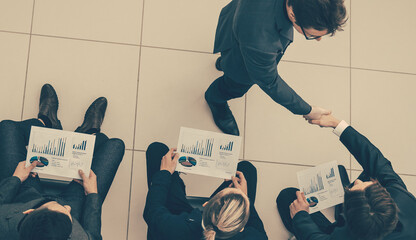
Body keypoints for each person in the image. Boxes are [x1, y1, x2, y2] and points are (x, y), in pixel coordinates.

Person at [0, 84, 125, 240]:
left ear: (29, 212)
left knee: (7, 127)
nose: (65, 207)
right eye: (67, 213)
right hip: (77, 203)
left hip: (24, 196)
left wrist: (16, 179)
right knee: (115, 146)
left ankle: (45, 123)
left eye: (60, 208)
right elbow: (93, 234)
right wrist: (92, 194)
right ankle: (87, 134)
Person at [205, 0, 348, 135]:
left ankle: (226, 62)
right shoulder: (262, 41)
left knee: (231, 56)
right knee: (234, 84)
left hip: (235, 17)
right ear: (292, 14)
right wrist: (308, 110)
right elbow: (269, 81)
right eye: (311, 35)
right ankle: (215, 99)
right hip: (246, 51)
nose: (318, 40)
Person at [276, 114, 416, 240]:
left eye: (353, 189)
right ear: (386, 195)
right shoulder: (402, 197)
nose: (357, 180)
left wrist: (300, 215)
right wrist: (337, 124)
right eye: (370, 185)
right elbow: (377, 161)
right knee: (350, 170)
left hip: (335, 232)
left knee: (287, 197)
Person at [143, 142, 268, 240]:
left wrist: (164, 173)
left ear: (205, 205)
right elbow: (256, 227)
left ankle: (176, 182)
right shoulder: (254, 237)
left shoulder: (174, 229)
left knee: (157, 150)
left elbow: (152, 211)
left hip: (184, 221)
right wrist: (244, 199)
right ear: (241, 228)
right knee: (246, 170)